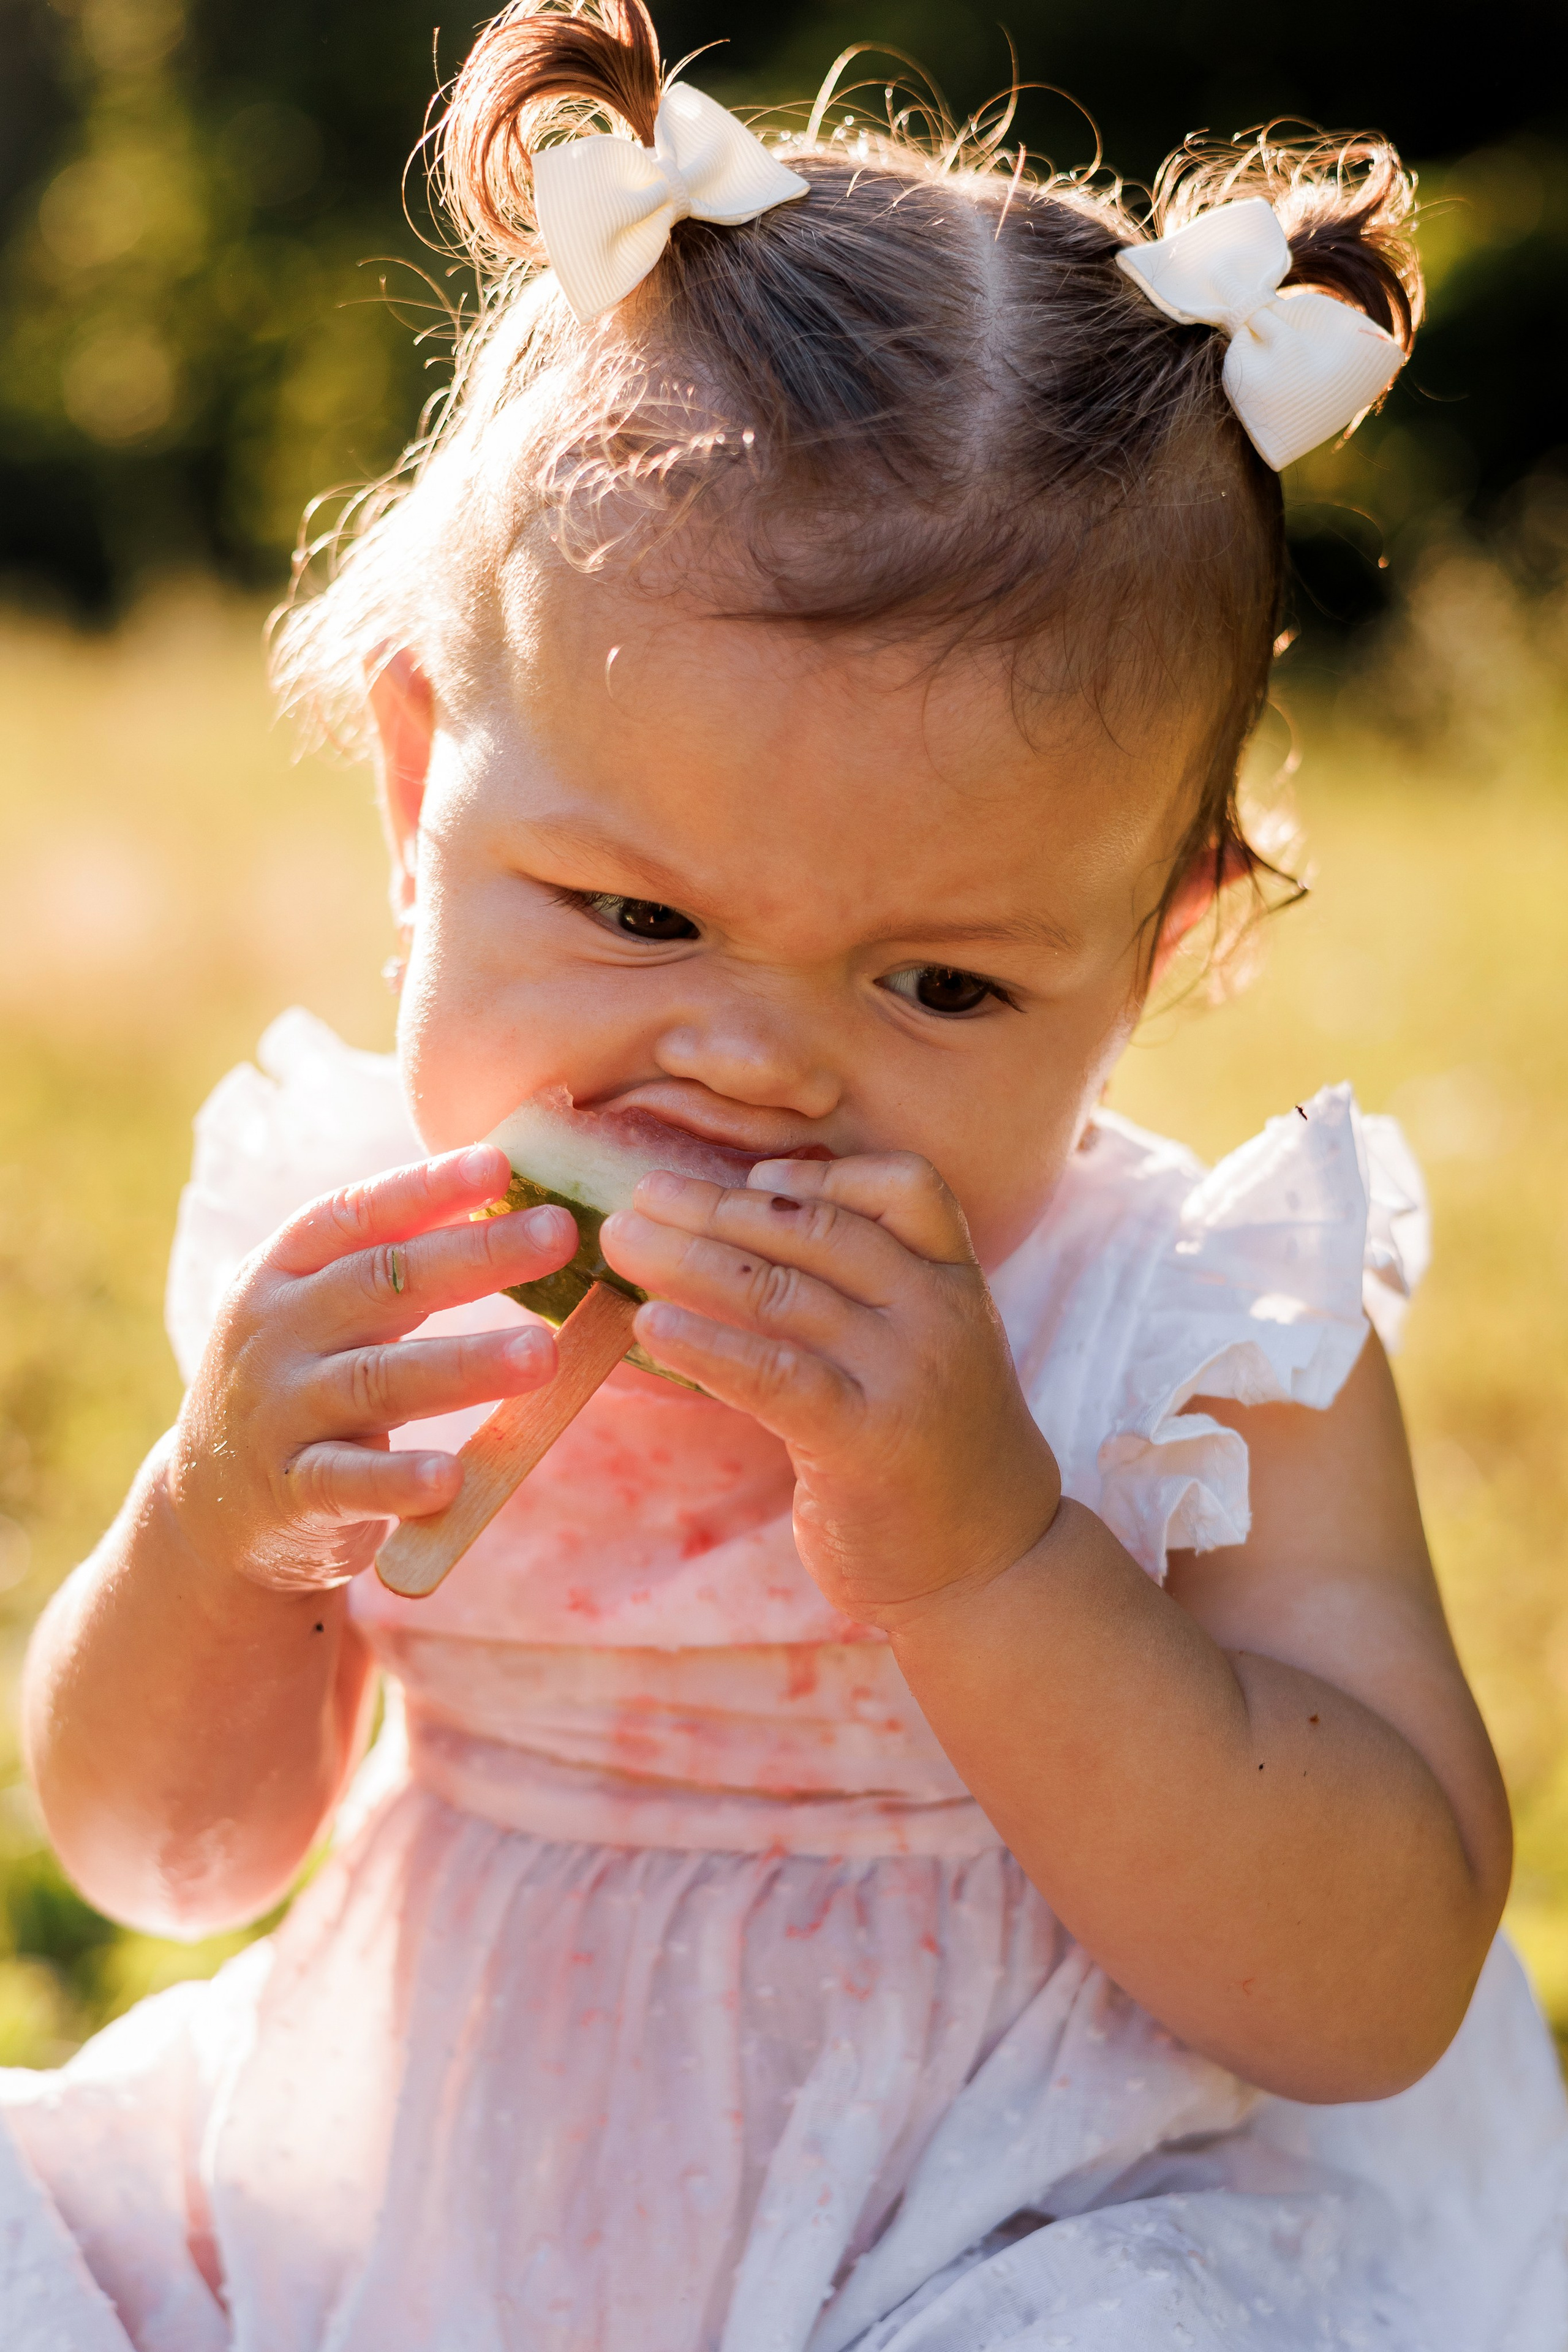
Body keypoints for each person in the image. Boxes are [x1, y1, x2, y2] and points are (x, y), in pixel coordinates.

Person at [4, 3, 1566, 2343]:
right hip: (406, 2205)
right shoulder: (365, 1264)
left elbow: (1371, 1985)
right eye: (637, 920)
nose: (750, 1068)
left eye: (940, 989)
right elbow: (161, 1852)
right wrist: (224, 1523)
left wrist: (993, 1551)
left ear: (1154, 952)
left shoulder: (1183, 1337)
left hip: (999, 2230)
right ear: (423, 788)